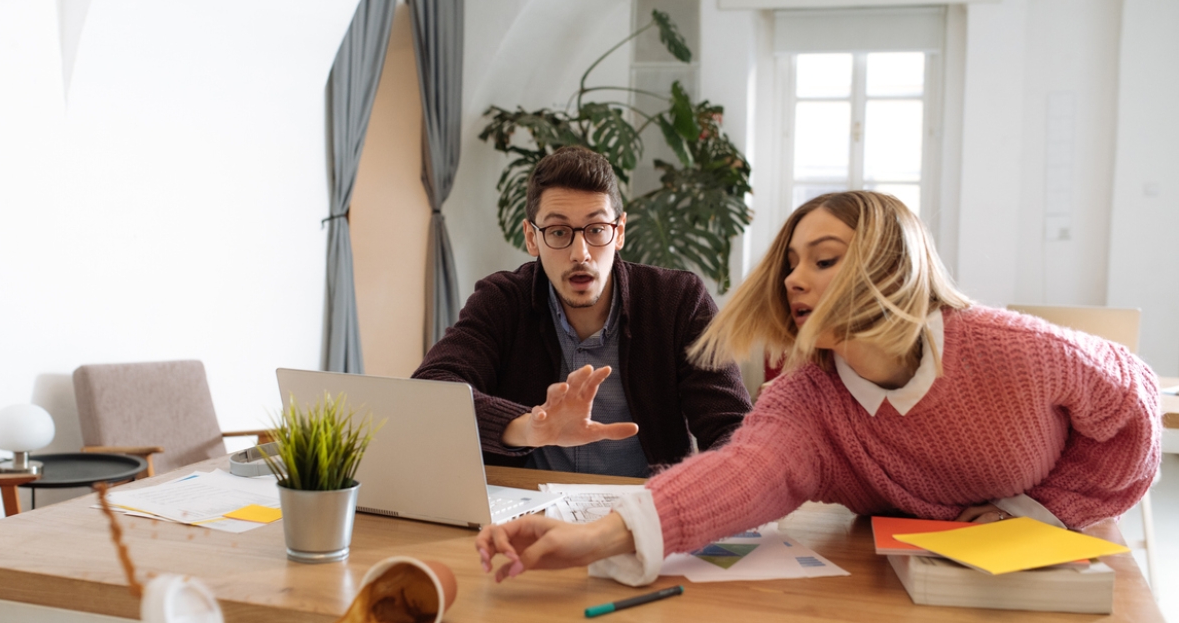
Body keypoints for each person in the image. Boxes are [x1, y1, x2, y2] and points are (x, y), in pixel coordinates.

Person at [474, 190, 1161, 585]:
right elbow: (740, 473)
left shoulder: (1014, 350)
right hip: (912, 575)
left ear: (890, 262)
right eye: (791, 263)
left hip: (1046, 561)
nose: (795, 280)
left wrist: (1043, 509)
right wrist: (588, 538)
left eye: (824, 260)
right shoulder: (808, 398)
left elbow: (1134, 408)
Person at [412, 146, 752, 478]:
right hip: (528, 513)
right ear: (532, 238)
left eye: (596, 230)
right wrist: (529, 428)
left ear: (618, 232)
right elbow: (431, 391)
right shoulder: (502, 300)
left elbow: (732, 428)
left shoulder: (679, 301)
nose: (581, 253)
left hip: (645, 512)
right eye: (559, 232)